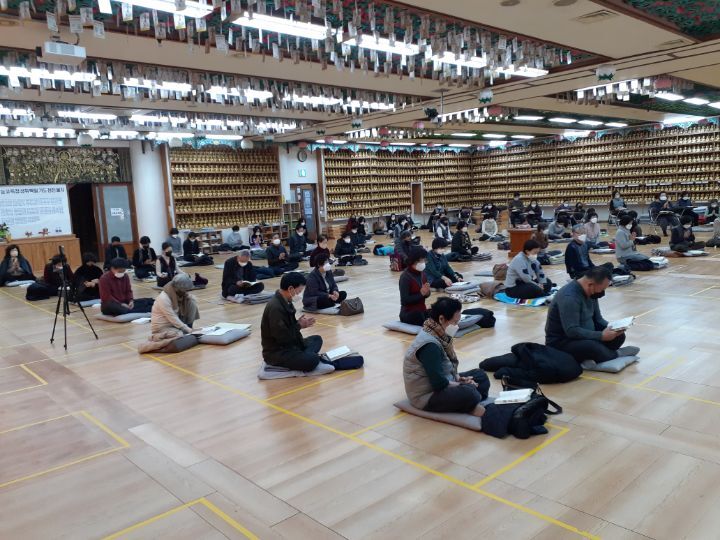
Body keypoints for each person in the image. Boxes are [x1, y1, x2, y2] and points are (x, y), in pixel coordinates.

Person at [403, 297, 489, 415]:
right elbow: (439, 384)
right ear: (441, 319)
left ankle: (469, 402)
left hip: (443, 381)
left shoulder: (437, 332)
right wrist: (462, 384)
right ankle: (471, 402)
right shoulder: (429, 345)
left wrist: (458, 378)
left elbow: (447, 366)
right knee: (470, 392)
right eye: (455, 322)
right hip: (426, 395)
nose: (457, 326)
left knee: (480, 375)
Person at [546, 266, 640, 364]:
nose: (602, 292)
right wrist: (601, 336)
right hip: (563, 342)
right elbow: (572, 331)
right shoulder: (570, 297)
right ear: (590, 284)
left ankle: (600, 355)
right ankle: (615, 354)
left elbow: (598, 319)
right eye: (602, 289)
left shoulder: (591, 292)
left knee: (619, 337)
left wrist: (614, 328)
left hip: (585, 335)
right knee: (592, 347)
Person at [260, 272, 333, 374]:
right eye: (299, 291)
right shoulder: (276, 308)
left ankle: (302, 356)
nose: (299, 294)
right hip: (277, 352)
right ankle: (303, 357)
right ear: (290, 289)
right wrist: (299, 325)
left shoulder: (286, 301)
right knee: (313, 360)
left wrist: (299, 323)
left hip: (290, 345)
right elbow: (283, 338)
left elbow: (289, 329)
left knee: (317, 339)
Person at [139, 273, 200, 354]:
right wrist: (187, 329)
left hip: (176, 325)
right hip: (163, 327)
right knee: (179, 335)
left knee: (192, 301)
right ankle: (152, 342)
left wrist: (188, 328)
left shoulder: (180, 293)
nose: (186, 292)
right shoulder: (164, 298)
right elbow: (172, 317)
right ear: (178, 288)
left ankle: (188, 329)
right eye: (185, 290)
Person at [399, 247, 431, 326]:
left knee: (438, 311)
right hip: (409, 313)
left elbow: (426, 294)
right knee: (420, 316)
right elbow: (404, 300)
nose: (424, 262)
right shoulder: (405, 277)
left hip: (422, 310)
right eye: (422, 260)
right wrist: (421, 294)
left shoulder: (422, 274)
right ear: (414, 261)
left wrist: (427, 293)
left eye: (425, 260)